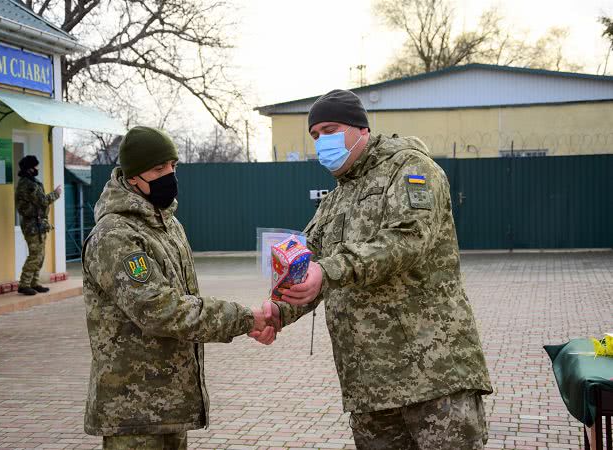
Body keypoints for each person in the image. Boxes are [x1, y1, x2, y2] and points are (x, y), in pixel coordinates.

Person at [256, 89, 493, 450]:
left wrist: (330, 270)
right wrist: (279, 310)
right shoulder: (335, 199)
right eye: (315, 135)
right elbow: (307, 268)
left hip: (433, 375)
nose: (322, 141)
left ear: (360, 129)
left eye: (330, 129)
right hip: (369, 386)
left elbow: (407, 240)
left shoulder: (410, 168)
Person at [82, 126, 277, 450]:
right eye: (158, 169)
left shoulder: (167, 224)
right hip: (133, 409)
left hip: (169, 401)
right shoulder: (115, 235)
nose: (169, 175)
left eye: (173, 166)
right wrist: (244, 319)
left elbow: (187, 299)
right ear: (132, 177)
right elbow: (160, 310)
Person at [15, 155, 61, 296]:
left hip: (38, 224)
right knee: (35, 255)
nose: (37, 169)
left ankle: (34, 283)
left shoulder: (30, 182)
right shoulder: (29, 185)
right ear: (29, 168)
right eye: (35, 166)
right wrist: (56, 193)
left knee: (40, 255)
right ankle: (24, 284)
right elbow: (43, 201)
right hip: (32, 225)